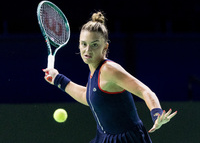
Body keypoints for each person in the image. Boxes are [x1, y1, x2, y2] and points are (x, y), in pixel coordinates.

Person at [43, 11, 177, 143]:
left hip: (127, 139)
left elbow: (144, 90)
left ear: (105, 46)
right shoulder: (94, 69)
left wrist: (156, 112)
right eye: (84, 44)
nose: (87, 50)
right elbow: (88, 96)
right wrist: (57, 79)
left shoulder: (109, 70)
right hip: (105, 137)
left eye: (94, 44)